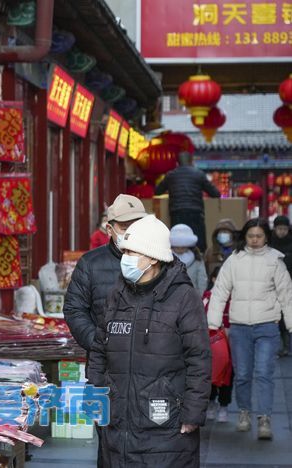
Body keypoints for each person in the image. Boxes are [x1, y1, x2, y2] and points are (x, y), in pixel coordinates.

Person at [88, 214, 211, 467]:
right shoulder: (117, 294)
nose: (125, 259)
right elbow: (99, 351)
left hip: (166, 425)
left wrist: (193, 413)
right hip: (118, 421)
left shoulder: (183, 297)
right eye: (124, 252)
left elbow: (199, 359)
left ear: (153, 257)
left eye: (132, 252)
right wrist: (96, 397)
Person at [64, 194, 147, 467]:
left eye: (137, 224)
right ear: (109, 229)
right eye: (124, 226)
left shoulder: (160, 261)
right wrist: (99, 344)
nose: (131, 232)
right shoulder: (90, 263)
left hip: (151, 370)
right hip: (105, 369)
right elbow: (75, 310)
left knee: (150, 442)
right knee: (110, 441)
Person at [207, 218, 292, 440]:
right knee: (243, 374)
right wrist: (213, 323)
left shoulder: (276, 261)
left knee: (264, 374)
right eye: (251, 235)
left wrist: (290, 324)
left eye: (259, 236)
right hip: (239, 327)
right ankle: (244, 412)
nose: (254, 240)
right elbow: (220, 292)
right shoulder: (234, 261)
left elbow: (287, 296)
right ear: (244, 236)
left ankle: (264, 418)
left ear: (266, 237)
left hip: (267, 326)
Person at [155, 151, 221, 252]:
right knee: (198, 242)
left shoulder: (171, 175)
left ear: (177, 163)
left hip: (177, 212)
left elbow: (157, 191)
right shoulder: (199, 174)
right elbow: (215, 193)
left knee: (178, 241)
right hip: (195, 212)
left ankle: (178, 264)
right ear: (191, 161)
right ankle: (198, 260)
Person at [202, 266, 232, 423]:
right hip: (210, 342)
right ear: (212, 279)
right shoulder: (206, 296)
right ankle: (211, 402)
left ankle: (224, 405)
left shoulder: (232, 298)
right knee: (209, 373)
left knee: (227, 375)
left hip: (228, 342)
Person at [269, 215, 292, 357]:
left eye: (284, 229)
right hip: (272, 284)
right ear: (275, 229)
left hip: (289, 284)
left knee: (286, 314)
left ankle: (285, 345)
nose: (282, 231)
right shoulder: (269, 244)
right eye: (279, 229)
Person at [170, 223, 208, 294]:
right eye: (177, 247)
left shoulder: (198, 259)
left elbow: (202, 281)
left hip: (193, 299)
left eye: (183, 246)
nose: (180, 249)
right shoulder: (165, 260)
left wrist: (199, 298)